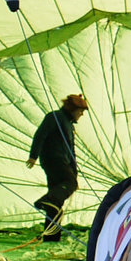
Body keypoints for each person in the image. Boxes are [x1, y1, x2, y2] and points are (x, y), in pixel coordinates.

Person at [27, 93, 89, 241]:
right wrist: (33, 155)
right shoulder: (54, 117)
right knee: (69, 185)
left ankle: (52, 235)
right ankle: (45, 200)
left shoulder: (68, 124)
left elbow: (71, 150)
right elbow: (40, 134)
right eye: (80, 111)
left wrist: (74, 171)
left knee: (56, 202)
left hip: (62, 160)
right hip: (53, 158)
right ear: (72, 109)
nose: (81, 115)